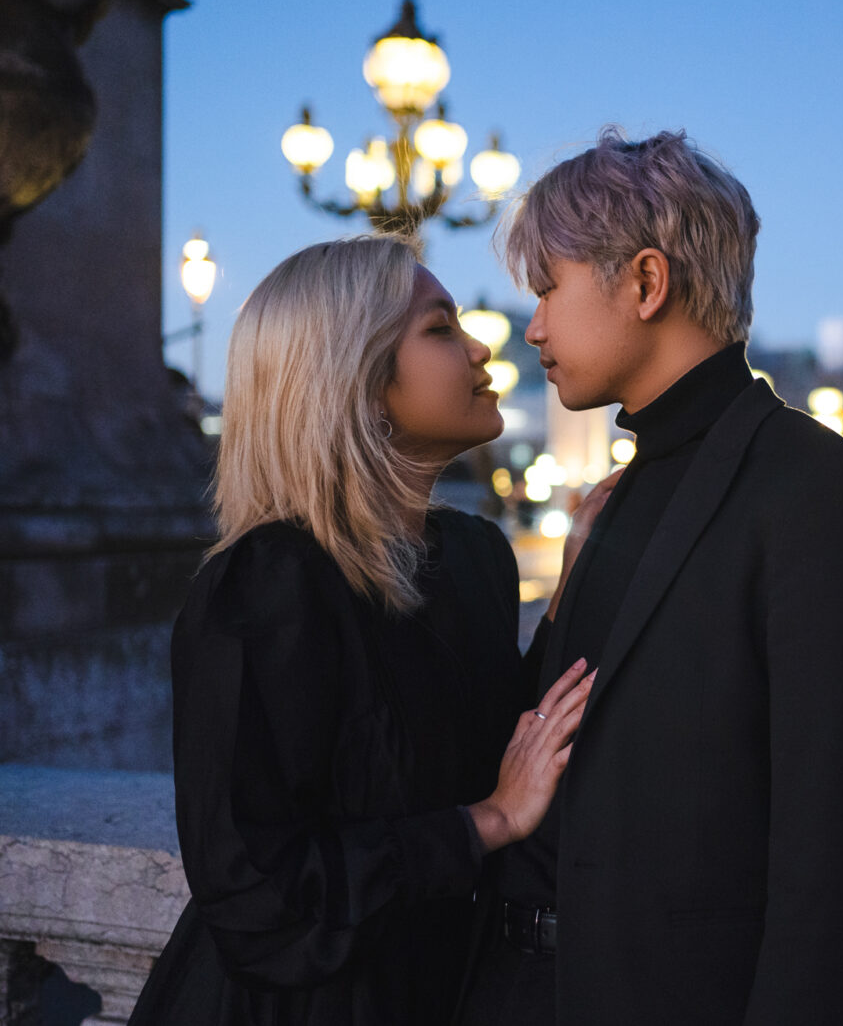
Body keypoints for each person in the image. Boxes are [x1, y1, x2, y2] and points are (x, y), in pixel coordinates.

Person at [456, 128, 843, 1025]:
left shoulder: (822, 494)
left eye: (549, 286)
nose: (535, 324)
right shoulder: (614, 499)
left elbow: (833, 857)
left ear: (647, 282)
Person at [128, 235, 606, 1026]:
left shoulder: (476, 556)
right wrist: (485, 823)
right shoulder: (271, 583)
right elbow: (257, 888)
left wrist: (572, 589)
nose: (484, 345)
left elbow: (494, 742)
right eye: (441, 328)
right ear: (356, 376)